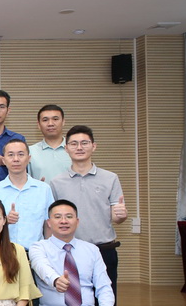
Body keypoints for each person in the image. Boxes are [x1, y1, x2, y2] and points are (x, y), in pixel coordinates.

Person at [49, 125, 127, 296]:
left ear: (94, 146)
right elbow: (52, 220)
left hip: (103, 249)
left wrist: (121, 216)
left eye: (84, 143)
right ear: (66, 148)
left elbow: (116, 217)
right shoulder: (56, 182)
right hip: (69, 251)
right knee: (74, 299)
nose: (79, 147)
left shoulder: (110, 178)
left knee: (106, 299)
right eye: (74, 143)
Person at [0, 139, 54, 251]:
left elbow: (49, 224)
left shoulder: (44, 189)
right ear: (4, 160)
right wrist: (5, 220)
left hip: (37, 253)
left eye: (21, 154)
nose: (16, 159)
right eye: (11, 155)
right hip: (4, 252)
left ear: (29, 158)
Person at [28, 104, 71, 183]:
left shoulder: (75, 149)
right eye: (45, 120)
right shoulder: (30, 151)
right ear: (38, 125)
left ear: (63, 122)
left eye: (55, 119)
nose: (50, 123)